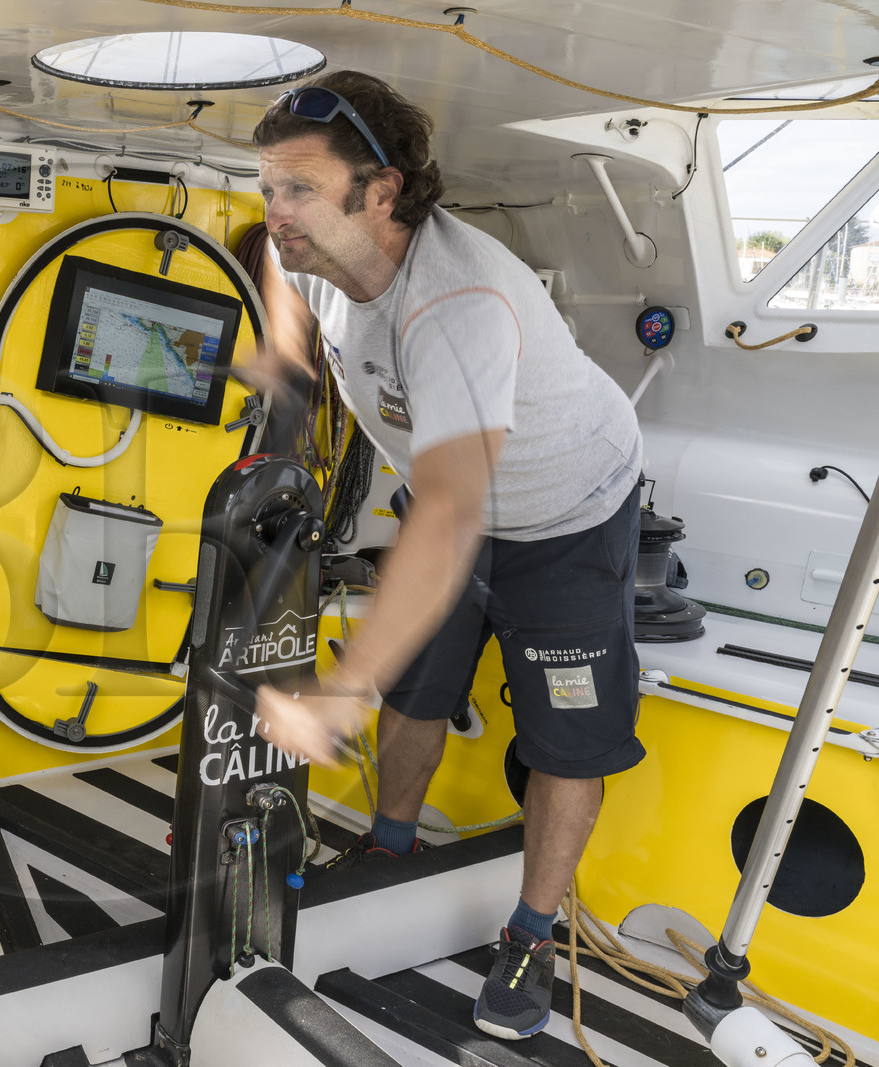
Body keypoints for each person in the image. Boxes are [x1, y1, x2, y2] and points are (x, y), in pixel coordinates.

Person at [248, 70, 645, 1041]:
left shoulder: (457, 303)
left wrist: (339, 689)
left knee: (563, 739)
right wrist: (282, 383)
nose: (274, 211)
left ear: (380, 193)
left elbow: (453, 515)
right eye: (266, 186)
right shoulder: (304, 248)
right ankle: (387, 851)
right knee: (417, 688)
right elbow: (280, 296)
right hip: (454, 503)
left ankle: (531, 929)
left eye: (296, 188)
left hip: (567, 519)